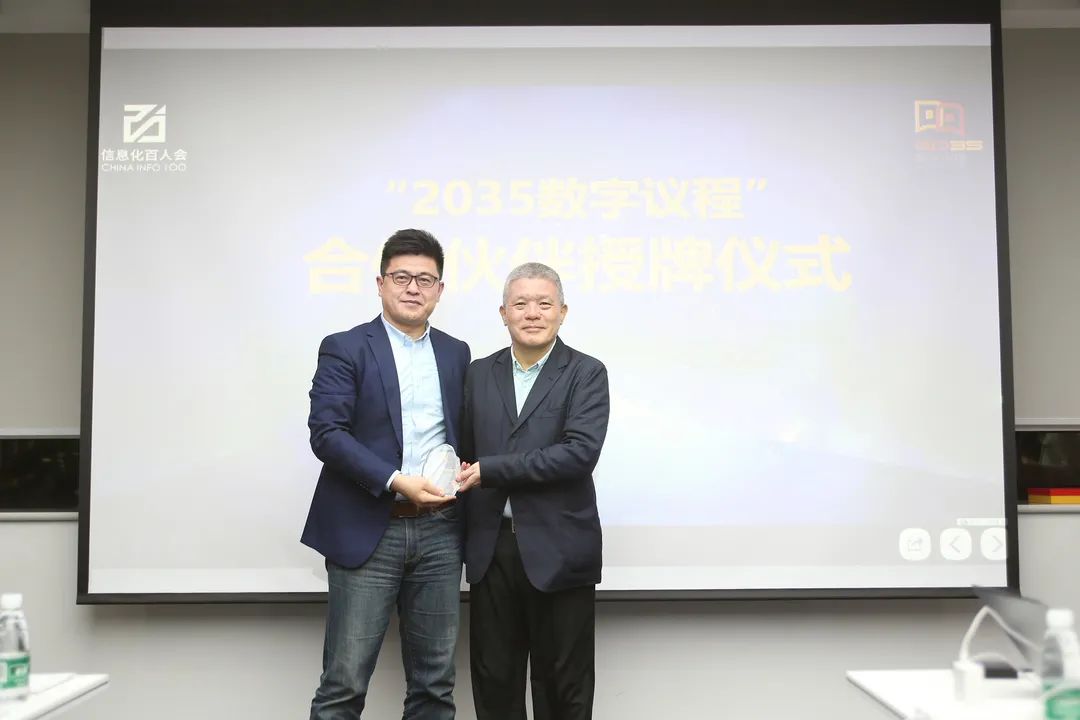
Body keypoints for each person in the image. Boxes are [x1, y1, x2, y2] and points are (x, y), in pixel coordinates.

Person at [302, 228, 470, 719]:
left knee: (435, 686)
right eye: (401, 277)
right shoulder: (345, 347)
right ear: (380, 283)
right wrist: (395, 480)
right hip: (368, 528)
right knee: (344, 685)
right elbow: (327, 434)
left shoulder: (456, 352)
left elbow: (464, 431)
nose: (413, 288)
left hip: (440, 533)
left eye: (425, 279)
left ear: (440, 289)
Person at [457, 262, 610, 720]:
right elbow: (463, 452)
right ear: (503, 313)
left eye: (544, 303)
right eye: (520, 303)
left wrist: (491, 470)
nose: (532, 313)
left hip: (560, 549)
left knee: (563, 686)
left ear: (563, 312)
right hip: (491, 551)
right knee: (494, 683)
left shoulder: (586, 372)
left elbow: (579, 454)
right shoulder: (478, 373)